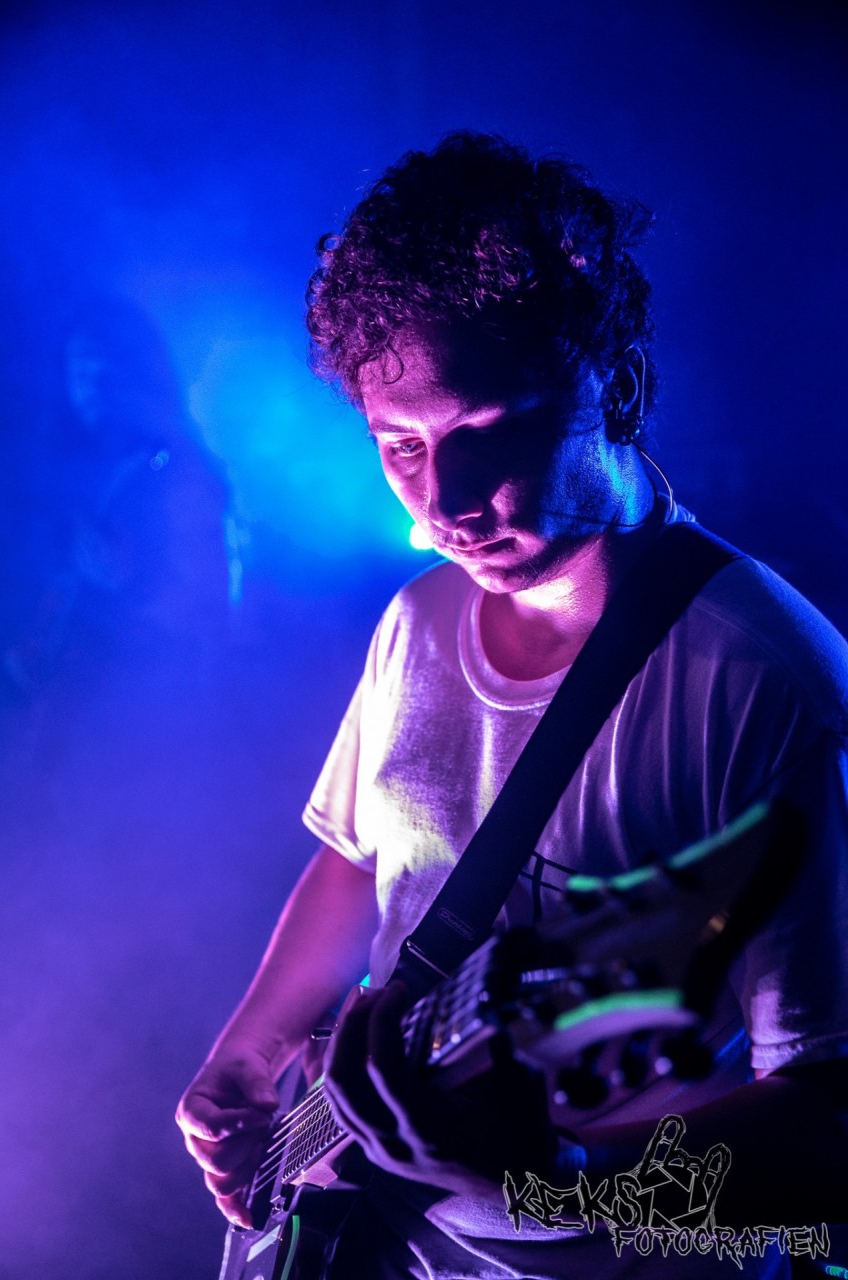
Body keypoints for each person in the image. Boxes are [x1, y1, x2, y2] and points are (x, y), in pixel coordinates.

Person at [176, 132, 848, 1277]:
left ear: (616, 387)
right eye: (399, 444)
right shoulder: (417, 620)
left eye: (484, 432)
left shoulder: (764, 680)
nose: (442, 500)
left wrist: (553, 1182)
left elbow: (826, 1126)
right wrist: (248, 1054)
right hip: (378, 1233)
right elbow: (365, 860)